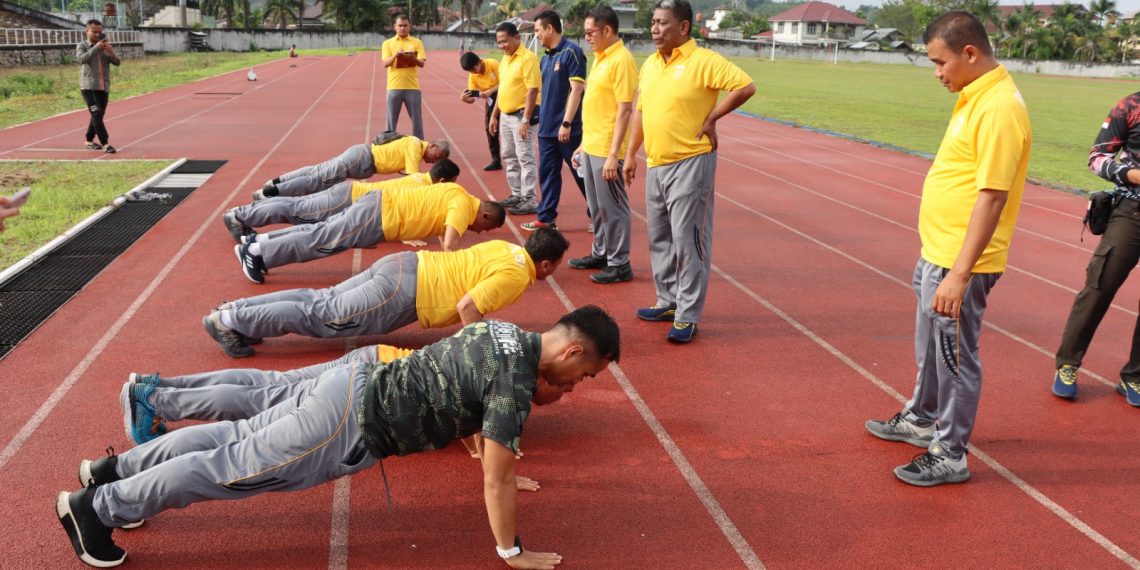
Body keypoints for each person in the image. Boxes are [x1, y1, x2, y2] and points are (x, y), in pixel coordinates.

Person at [56, 307, 619, 568]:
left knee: (232, 438)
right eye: (585, 376)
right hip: (350, 422)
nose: (576, 387)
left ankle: (113, 471)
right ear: (573, 351)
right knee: (228, 469)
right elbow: (496, 481)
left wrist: (495, 460)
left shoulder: (504, 331)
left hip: (352, 382)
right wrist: (511, 551)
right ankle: (96, 509)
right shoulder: (515, 382)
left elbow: (463, 399)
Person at [864, 11, 1032, 487]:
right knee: (932, 350)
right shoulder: (973, 95)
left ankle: (950, 453)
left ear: (970, 53)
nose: (936, 72)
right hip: (938, 252)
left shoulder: (998, 108)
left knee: (955, 357)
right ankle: (923, 417)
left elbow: (993, 196)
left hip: (961, 263)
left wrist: (959, 274)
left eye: (940, 62)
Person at [202, 227, 570, 357]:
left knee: (320, 301)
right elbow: (468, 306)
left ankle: (237, 312)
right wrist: (473, 350)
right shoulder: (516, 275)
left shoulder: (507, 247)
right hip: (406, 291)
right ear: (547, 264)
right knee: (323, 315)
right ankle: (231, 320)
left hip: (405, 266)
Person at [621, 0, 755, 343]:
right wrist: (631, 154)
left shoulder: (704, 60)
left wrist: (712, 118)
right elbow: (640, 112)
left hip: (691, 162)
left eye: (663, 22)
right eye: (653, 22)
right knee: (660, 238)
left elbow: (745, 86)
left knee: (688, 240)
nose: (655, 29)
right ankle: (667, 301)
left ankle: (687, 314)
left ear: (683, 27)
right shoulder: (651, 64)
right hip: (656, 163)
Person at [232, 179, 507, 284]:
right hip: (377, 216)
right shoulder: (463, 206)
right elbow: (450, 245)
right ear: (484, 215)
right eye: (486, 229)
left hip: (377, 207)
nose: (480, 233)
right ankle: (257, 252)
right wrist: (468, 272)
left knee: (321, 233)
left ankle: (258, 243)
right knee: (321, 239)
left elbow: (433, 217)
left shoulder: (458, 192)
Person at [1051, 93, 1140, 408]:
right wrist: (1132, 174)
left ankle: (1135, 376)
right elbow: (1097, 157)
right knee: (1099, 286)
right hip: (1132, 212)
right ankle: (1067, 364)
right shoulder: (1131, 106)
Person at [222, 159, 458, 242]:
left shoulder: (419, 178)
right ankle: (240, 215)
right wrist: (409, 237)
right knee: (297, 210)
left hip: (351, 193)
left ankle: (244, 214)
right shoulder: (422, 188)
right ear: (442, 181)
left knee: (298, 208)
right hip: (349, 198)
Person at [570, 7, 638, 284]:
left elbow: (624, 110)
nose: (586, 37)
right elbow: (597, 107)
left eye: (590, 32)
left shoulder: (621, 60)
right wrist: (583, 144)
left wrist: (613, 155)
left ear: (607, 30)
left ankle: (620, 263)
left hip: (608, 149)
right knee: (597, 206)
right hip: (592, 145)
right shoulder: (600, 58)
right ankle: (601, 252)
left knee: (614, 207)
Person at [522, 10, 588, 231]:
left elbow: (577, 89)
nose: (536, 35)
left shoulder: (572, 52)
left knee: (582, 174)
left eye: (538, 30)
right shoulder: (546, 58)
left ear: (549, 28)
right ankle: (546, 218)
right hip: (547, 130)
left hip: (568, 130)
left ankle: (599, 215)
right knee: (547, 175)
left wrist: (566, 123)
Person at [253, 134, 449, 201]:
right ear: (433, 146)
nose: (433, 162)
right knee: (318, 180)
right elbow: (414, 179)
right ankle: (268, 194)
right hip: (362, 160)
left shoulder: (414, 142)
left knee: (317, 171)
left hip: (360, 154)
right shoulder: (415, 148)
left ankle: (274, 183)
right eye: (436, 157)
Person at [489, 22, 542, 215]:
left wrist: (526, 119)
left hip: (521, 116)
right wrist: (494, 115)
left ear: (517, 37)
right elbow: (503, 89)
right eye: (499, 42)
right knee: (509, 155)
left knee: (525, 157)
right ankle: (516, 194)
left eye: (505, 41)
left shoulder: (528, 59)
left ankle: (529, 199)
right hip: (505, 115)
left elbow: (532, 90)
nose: (502, 45)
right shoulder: (505, 60)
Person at [76, 19, 121, 154]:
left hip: (103, 86)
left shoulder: (104, 47)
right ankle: (105, 143)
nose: (97, 34)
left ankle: (89, 140)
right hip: (89, 87)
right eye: (94, 32)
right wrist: (96, 47)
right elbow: (81, 59)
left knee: (99, 115)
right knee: (96, 113)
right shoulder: (82, 45)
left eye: (99, 32)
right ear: (87, 31)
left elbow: (117, 63)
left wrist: (111, 53)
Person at [382, 15, 426, 139]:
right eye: (400, 25)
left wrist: (412, 58)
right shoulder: (387, 43)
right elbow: (385, 63)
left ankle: (419, 143)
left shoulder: (417, 43)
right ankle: (388, 143)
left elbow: (422, 63)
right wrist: (396, 56)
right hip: (393, 87)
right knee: (391, 120)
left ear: (410, 26)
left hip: (412, 87)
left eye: (405, 25)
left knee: (417, 119)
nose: (402, 28)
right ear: (395, 27)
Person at [459, 51, 503, 171]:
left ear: (479, 62)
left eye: (474, 69)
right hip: (490, 100)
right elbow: (473, 99)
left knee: (508, 127)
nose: (474, 72)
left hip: (505, 95)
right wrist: (465, 99)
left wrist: (490, 91)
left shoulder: (493, 64)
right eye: (470, 71)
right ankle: (496, 160)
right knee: (490, 128)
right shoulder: (472, 75)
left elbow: (506, 82)